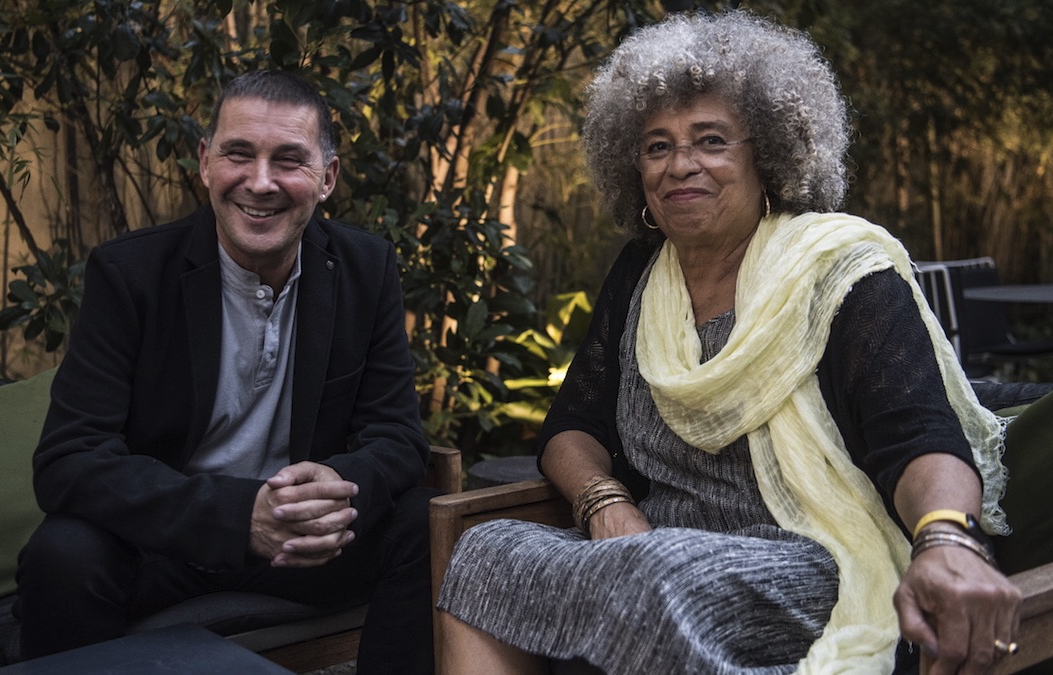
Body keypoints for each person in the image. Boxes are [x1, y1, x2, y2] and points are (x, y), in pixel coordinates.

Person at [437, 11, 1021, 675]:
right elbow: (572, 429)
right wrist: (605, 501)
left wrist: (946, 536)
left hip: (811, 555)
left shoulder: (836, 270)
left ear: (769, 154)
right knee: (485, 550)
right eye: (656, 146)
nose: (680, 164)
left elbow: (917, 434)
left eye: (710, 140)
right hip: (654, 547)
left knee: (659, 572)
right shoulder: (640, 273)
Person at [15, 69, 435, 674]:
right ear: (206, 162)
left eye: (289, 160)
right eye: (239, 154)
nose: (259, 183)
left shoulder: (365, 268)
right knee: (64, 553)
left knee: (425, 524)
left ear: (327, 179)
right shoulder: (129, 275)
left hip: (303, 544)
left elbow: (398, 437)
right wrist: (240, 517)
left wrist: (334, 493)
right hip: (168, 540)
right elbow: (68, 461)